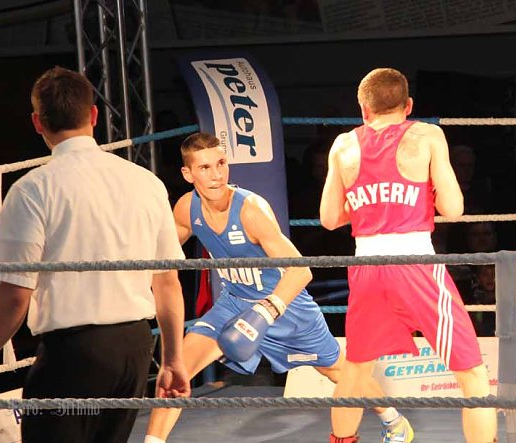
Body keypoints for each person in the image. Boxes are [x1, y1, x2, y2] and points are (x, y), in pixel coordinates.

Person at [0, 67, 189, 443]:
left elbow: (15, 294)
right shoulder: (145, 182)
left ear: (38, 123)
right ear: (94, 116)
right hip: (134, 350)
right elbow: (167, 282)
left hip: (75, 357)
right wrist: (172, 359)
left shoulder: (33, 189)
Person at [145, 132, 407, 443]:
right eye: (204, 168)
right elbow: (162, 254)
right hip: (233, 304)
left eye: (221, 163)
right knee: (178, 369)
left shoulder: (251, 210)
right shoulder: (187, 208)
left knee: (338, 371)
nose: (216, 175)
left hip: (287, 309)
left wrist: (265, 312)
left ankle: (394, 419)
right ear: (187, 174)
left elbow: (301, 271)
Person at [321, 68, 497, 443]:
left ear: (363, 109)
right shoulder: (428, 135)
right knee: (472, 373)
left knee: (355, 372)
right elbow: (453, 208)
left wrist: (373, 202)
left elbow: (329, 217)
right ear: (409, 105)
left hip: (366, 267)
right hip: (415, 263)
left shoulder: (342, 145)